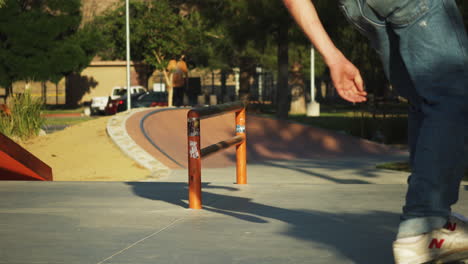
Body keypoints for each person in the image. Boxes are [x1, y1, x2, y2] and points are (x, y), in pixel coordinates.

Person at [282, 0, 468, 263]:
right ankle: (423, 226)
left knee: (426, 101)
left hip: (359, 9)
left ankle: (436, 219)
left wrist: (332, 56)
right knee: (451, 98)